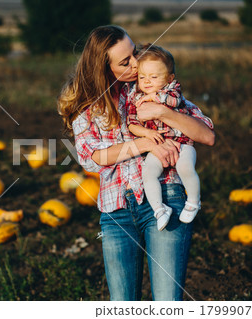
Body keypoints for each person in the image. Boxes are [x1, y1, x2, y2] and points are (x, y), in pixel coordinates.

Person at [57, 25, 215, 301]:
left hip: (165, 198)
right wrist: (142, 144)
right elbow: (91, 158)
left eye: (135, 53)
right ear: (104, 69)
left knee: (166, 303)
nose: (136, 63)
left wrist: (162, 111)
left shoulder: (151, 86)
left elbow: (206, 135)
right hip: (115, 212)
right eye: (125, 61)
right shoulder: (85, 108)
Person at [127, 44, 201, 231]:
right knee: (148, 173)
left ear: (169, 78)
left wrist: (154, 97)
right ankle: (159, 209)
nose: (147, 81)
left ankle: (193, 201)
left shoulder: (171, 91)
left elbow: (174, 101)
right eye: (142, 77)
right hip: (157, 144)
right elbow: (132, 124)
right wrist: (147, 133)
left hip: (182, 144)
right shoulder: (137, 97)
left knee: (185, 168)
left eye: (154, 77)